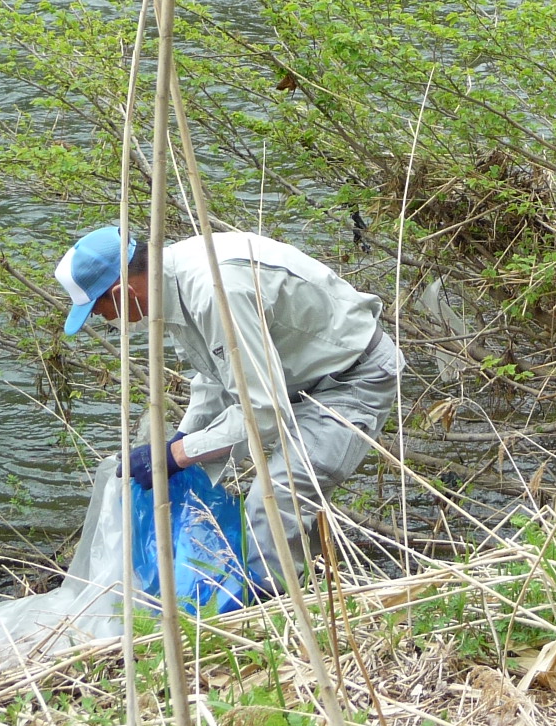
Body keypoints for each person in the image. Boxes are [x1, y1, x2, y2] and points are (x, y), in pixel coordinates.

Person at [56, 225, 401, 591]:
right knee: (278, 510)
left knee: (274, 502)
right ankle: (314, 587)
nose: (103, 320)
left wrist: (174, 455)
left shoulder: (214, 290)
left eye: (98, 310)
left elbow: (264, 412)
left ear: (123, 292)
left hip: (352, 379)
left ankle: (267, 616)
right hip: (296, 380)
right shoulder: (171, 284)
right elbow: (214, 376)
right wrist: (183, 437)